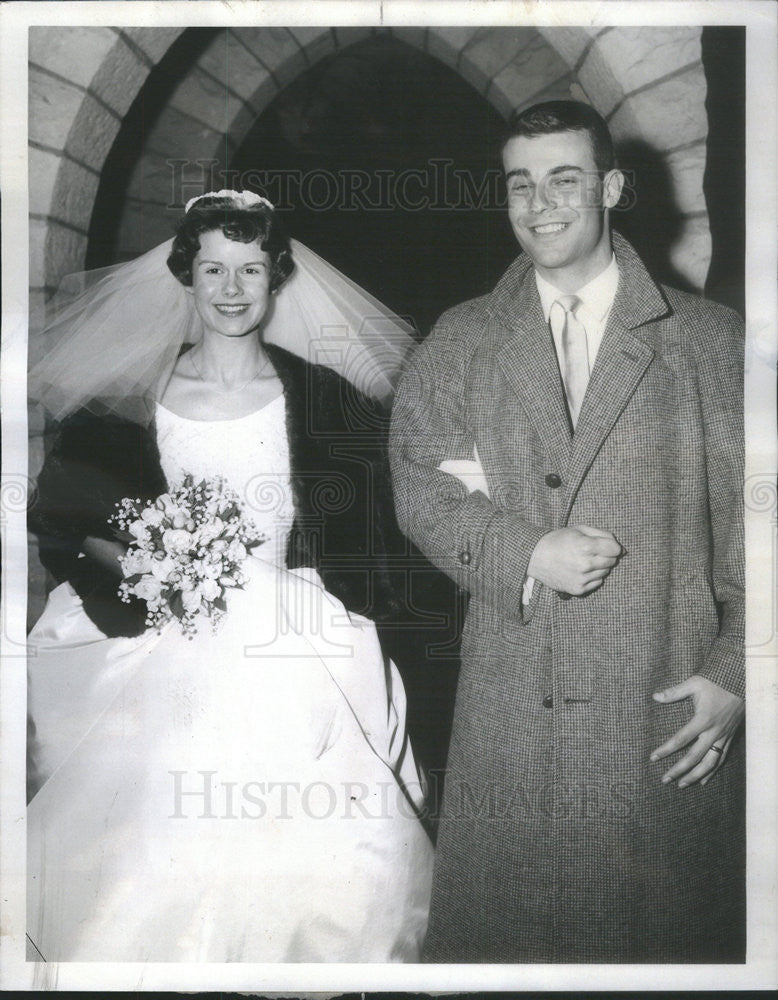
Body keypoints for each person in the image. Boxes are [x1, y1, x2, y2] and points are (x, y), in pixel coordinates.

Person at [26, 190, 433, 962]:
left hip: (290, 639)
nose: (232, 289)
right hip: (164, 641)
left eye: (251, 269)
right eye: (214, 268)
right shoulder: (131, 406)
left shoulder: (320, 398)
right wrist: (150, 570)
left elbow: (374, 531)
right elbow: (72, 524)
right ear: (187, 273)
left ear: (277, 277)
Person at [390, 101, 745, 963]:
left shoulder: (710, 343)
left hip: (662, 733)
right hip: (510, 731)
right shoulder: (462, 339)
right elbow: (419, 488)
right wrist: (522, 549)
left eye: (564, 179)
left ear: (613, 188)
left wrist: (738, 680)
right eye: (520, 183)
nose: (539, 202)